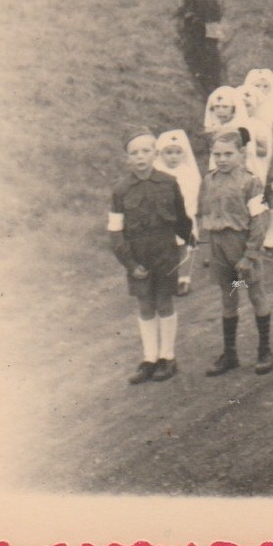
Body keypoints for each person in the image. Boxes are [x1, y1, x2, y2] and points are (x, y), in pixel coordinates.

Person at [108, 129, 193, 384]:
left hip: (165, 255)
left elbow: (181, 219)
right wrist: (130, 264)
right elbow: (115, 232)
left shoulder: (168, 182)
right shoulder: (120, 191)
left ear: (155, 154)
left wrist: (190, 241)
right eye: (134, 153)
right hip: (138, 259)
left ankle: (168, 357)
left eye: (146, 151)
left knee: (164, 303)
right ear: (127, 159)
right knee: (145, 305)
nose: (140, 157)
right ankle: (149, 358)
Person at [197, 130, 273, 375]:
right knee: (229, 295)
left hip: (242, 245)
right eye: (216, 154)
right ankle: (230, 354)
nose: (222, 159)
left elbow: (259, 222)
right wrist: (206, 249)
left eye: (228, 154)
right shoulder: (209, 180)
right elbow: (205, 215)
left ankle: (264, 349)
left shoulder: (251, 181)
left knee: (255, 294)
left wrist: (249, 255)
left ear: (241, 153)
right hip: (219, 247)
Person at [239, 69, 273, 249]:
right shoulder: (247, 108)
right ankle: (252, 232)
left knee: (270, 193)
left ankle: (271, 232)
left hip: (268, 158)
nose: (261, 89)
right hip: (250, 160)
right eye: (257, 86)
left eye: (265, 86)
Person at [154, 129, 202, 296]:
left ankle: (184, 278)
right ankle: (167, 278)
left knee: (187, 246)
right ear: (160, 153)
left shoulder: (189, 173)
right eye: (168, 152)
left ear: (184, 153)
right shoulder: (157, 172)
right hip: (164, 219)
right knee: (167, 249)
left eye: (177, 152)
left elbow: (191, 194)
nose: (173, 157)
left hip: (184, 215)